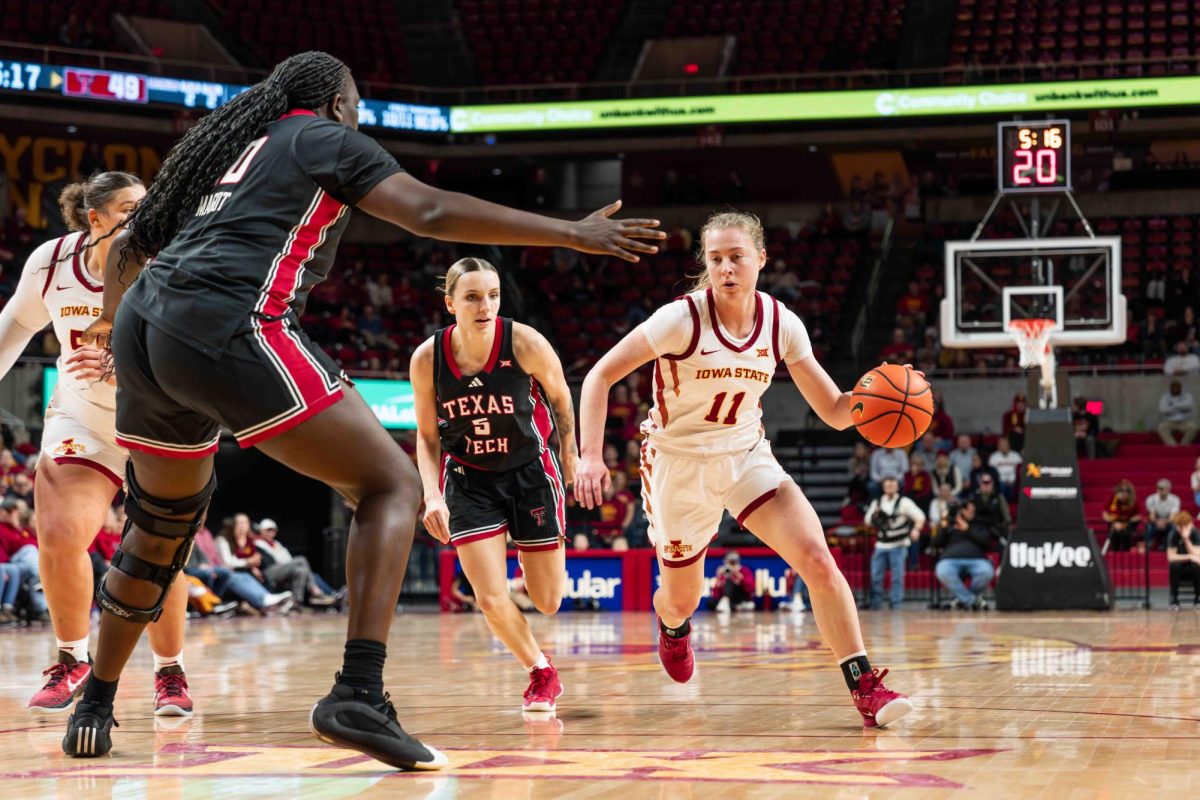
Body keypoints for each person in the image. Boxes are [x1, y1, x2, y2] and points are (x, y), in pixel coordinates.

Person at [64, 51, 663, 763]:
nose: (358, 112)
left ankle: (95, 702)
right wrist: (570, 231)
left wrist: (109, 323)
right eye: (356, 98)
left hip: (145, 328)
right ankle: (357, 692)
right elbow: (431, 211)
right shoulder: (322, 136)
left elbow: (134, 246)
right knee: (392, 485)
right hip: (227, 321)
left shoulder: (230, 149)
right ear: (334, 100)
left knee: (158, 525)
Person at [577, 211, 912, 729]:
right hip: (678, 464)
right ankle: (671, 624)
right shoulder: (680, 319)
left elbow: (833, 410)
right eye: (715, 259)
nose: (726, 268)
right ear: (705, 266)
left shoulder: (782, 324)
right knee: (682, 597)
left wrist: (877, 399)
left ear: (761, 259)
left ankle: (865, 684)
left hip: (744, 454)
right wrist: (591, 455)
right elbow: (599, 376)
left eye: (737, 257)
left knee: (817, 559)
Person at [0, 172, 197, 716]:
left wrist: (118, 367)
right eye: (131, 209)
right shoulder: (51, 263)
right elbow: (11, 330)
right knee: (59, 532)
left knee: (161, 554)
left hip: (160, 418)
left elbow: (189, 357)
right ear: (96, 219)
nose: (146, 218)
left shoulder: (170, 264)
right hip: (84, 419)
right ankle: (72, 658)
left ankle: (169, 669)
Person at [412, 256, 576, 714]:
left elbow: (562, 400)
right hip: (469, 479)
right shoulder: (427, 359)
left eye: (493, 295)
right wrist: (431, 495)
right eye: (472, 297)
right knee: (487, 595)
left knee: (548, 601)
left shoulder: (524, 342)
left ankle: (529, 560)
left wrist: (573, 460)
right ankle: (541, 671)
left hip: (530, 472)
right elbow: (426, 437)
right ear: (450, 303)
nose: (485, 305)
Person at [865, 476, 926, 610]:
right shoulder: (877, 502)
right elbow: (867, 520)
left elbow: (920, 516)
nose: (890, 487)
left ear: (898, 487)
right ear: (883, 487)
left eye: (893, 485)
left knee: (897, 578)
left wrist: (916, 529)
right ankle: (875, 604)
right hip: (881, 544)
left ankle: (896, 604)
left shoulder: (904, 502)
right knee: (876, 576)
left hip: (899, 544)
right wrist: (876, 516)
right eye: (887, 485)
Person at [254, 517, 343, 608]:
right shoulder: (257, 543)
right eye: (268, 530)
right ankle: (315, 591)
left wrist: (282, 558)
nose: (271, 533)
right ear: (261, 531)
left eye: (273, 530)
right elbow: (276, 560)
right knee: (301, 559)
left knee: (302, 570)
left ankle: (297, 602)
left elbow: (287, 559)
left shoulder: (276, 544)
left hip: (283, 569)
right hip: (269, 571)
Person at [932, 500, 997, 611]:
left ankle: (962, 600)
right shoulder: (949, 526)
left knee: (986, 572)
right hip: (950, 559)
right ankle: (971, 601)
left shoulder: (978, 525)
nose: (972, 512)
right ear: (961, 511)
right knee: (942, 571)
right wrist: (943, 526)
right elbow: (935, 544)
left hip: (977, 559)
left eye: (973, 510)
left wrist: (967, 529)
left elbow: (986, 542)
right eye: (969, 510)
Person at [0, 499, 48, 620]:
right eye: (12, 512)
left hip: (18, 564)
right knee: (30, 550)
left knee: (29, 572)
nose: (15, 515)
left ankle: (40, 610)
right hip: (10, 560)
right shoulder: (3, 528)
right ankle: (39, 575)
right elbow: (13, 547)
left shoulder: (19, 529)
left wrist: (17, 528)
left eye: (16, 512)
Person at [1166, 511, 1200, 610]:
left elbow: (1198, 554)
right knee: (1174, 565)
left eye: (1183, 526)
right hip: (1180, 568)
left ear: (1189, 524)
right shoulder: (1173, 534)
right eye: (1178, 526)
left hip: (1194, 569)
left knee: (1195, 565)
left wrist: (1186, 539)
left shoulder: (1195, 533)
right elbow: (1171, 557)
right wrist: (1189, 556)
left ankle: (1198, 598)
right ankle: (1174, 599)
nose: (1181, 529)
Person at [1102, 480, 1141, 552]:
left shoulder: (1133, 500)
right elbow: (1105, 514)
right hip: (1115, 523)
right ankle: (1115, 552)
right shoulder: (1112, 499)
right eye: (1121, 492)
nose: (1123, 495)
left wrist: (1125, 524)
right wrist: (1114, 523)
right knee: (1115, 533)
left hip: (1128, 523)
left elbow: (1138, 516)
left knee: (1126, 534)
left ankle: (1126, 552)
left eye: (1125, 493)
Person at [970, 474, 1011, 538]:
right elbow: (970, 515)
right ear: (980, 483)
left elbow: (1006, 515)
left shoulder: (998, 497)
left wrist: (1007, 524)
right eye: (984, 482)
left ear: (992, 483)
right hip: (979, 529)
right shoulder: (974, 497)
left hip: (996, 528)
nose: (986, 485)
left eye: (988, 482)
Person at [1144, 479, 1181, 551]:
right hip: (1156, 521)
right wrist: (1157, 522)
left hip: (1169, 521)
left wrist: (1164, 522)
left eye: (1162, 488)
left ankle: (1171, 547)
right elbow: (1152, 516)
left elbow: (1172, 516)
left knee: (1174, 527)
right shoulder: (1151, 499)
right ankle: (1147, 545)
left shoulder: (1175, 499)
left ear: (1168, 489)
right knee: (1149, 527)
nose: (1160, 490)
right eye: (1158, 488)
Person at [1158, 380, 1197, 446]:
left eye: (1177, 387)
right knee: (1161, 427)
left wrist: (1172, 406)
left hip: (1184, 422)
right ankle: (1173, 446)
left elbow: (1188, 406)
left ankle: (1183, 445)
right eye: (1173, 387)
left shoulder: (1187, 396)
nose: (1175, 389)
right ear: (1170, 388)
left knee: (1193, 427)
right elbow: (1163, 410)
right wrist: (1180, 407)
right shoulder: (1165, 397)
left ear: (1180, 388)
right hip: (1170, 422)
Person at [987, 436, 1022, 501]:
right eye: (1002, 444)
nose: (1004, 446)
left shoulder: (1016, 455)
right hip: (1000, 481)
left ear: (1009, 445)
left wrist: (1011, 480)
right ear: (998, 446)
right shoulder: (993, 457)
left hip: (1014, 481)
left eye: (1006, 444)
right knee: (1001, 485)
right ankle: (1002, 503)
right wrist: (1004, 480)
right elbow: (992, 473)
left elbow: (1020, 470)